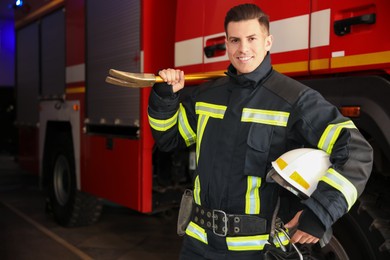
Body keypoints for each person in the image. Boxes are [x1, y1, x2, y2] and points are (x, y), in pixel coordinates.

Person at [148, 3, 373, 259]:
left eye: (252, 38)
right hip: (197, 245)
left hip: (257, 250)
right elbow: (168, 139)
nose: (243, 49)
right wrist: (164, 97)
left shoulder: (294, 99)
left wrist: (320, 212)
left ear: (268, 42)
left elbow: (356, 151)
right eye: (235, 40)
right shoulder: (207, 96)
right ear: (227, 43)